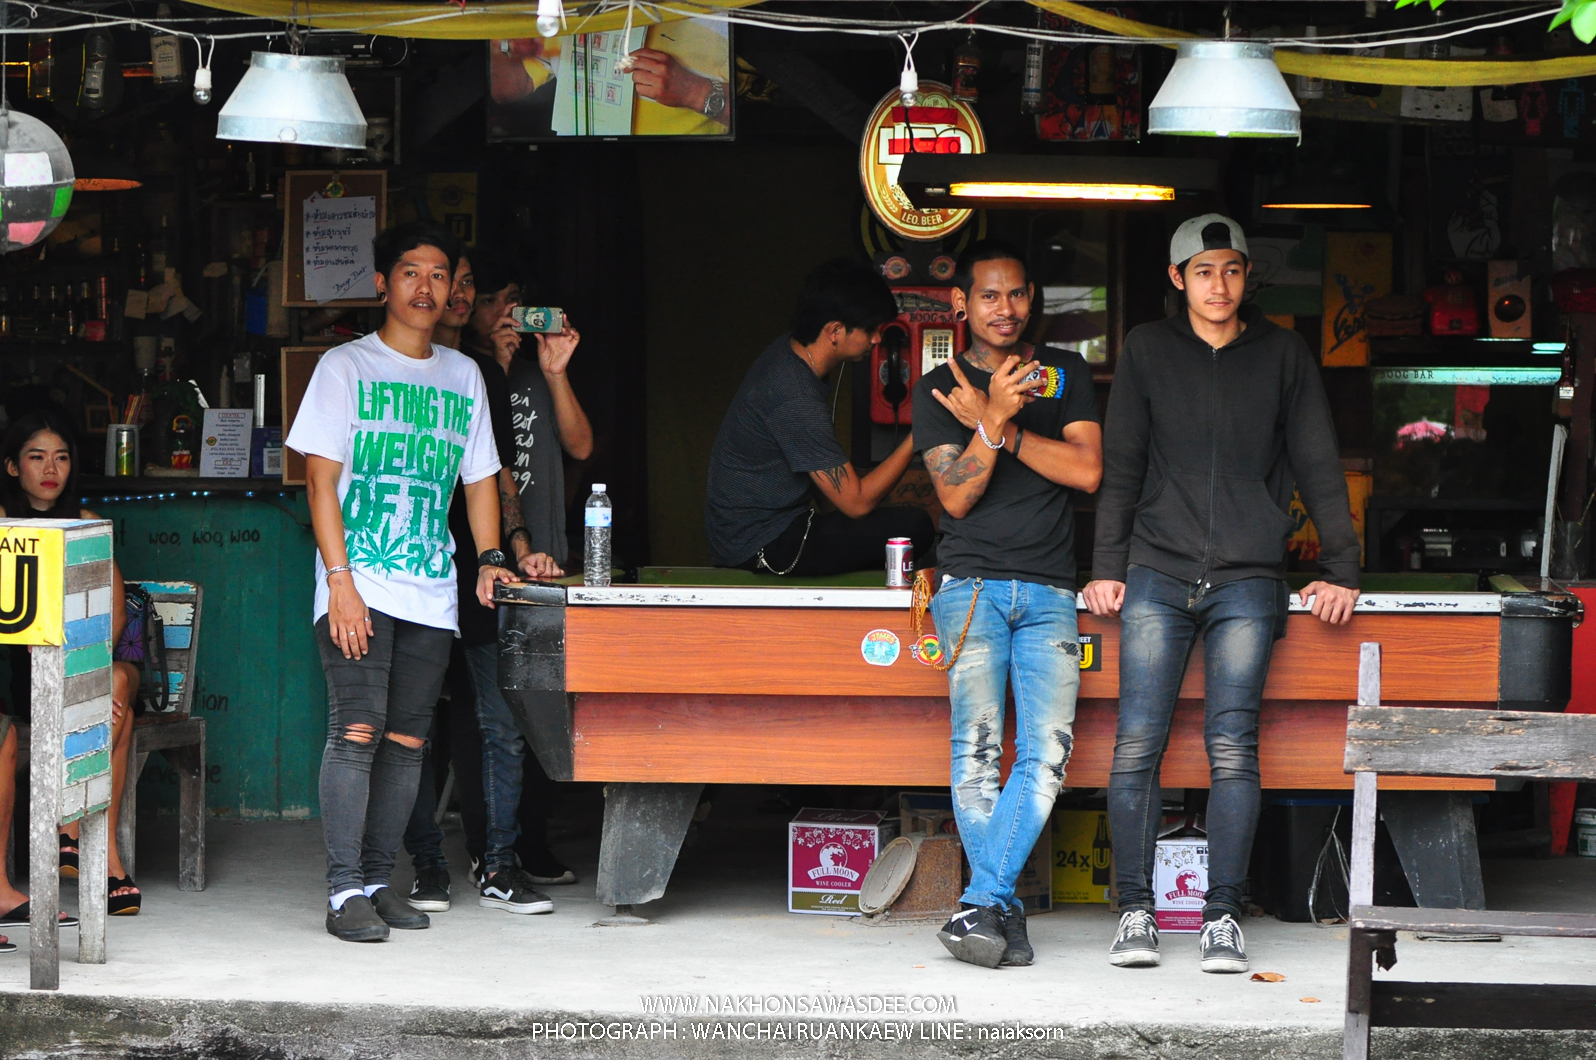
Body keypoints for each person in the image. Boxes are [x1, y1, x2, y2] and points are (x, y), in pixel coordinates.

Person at [1082, 214, 1361, 975]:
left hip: (1247, 576)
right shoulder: (1147, 349)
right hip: (1156, 570)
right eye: (1203, 271)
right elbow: (1123, 465)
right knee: (1138, 743)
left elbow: (1317, 460)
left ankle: (1222, 917)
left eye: (1232, 270)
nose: (1219, 284)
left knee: (1233, 747)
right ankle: (1135, 912)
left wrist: (1342, 567)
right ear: (1178, 279)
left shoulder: (1283, 354)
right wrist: (1106, 563)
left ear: (1246, 277)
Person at [285, 221, 523, 943]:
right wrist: (340, 581)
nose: (426, 287)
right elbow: (318, 483)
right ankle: (341, 892)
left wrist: (489, 557)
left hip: (430, 587)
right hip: (357, 581)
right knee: (356, 729)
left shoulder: (464, 376)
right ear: (383, 284)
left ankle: (374, 881)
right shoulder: (345, 367)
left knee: (407, 741)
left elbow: (479, 481)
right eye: (411, 272)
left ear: (453, 289)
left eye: (439, 274)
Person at [912, 240, 1103, 969]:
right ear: (961, 302)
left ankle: (982, 903)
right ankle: (998, 909)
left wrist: (1006, 426)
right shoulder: (940, 388)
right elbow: (957, 496)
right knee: (978, 753)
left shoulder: (1065, 373)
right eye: (989, 295)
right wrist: (988, 418)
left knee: (1048, 754)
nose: (1006, 308)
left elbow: (1086, 470)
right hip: (970, 590)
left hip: (1051, 588)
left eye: (1018, 293)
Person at [451, 250, 588, 898]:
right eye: (489, 300)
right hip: (484, 565)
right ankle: (490, 850)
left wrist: (553, 371)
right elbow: (489, 458)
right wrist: (499, 370)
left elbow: (582, 445)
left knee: (539, 706)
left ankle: (526, 842)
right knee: (487, 716)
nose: (503, 313)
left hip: (540, 560)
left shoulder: (534, 372)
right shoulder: (466, 373)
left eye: (513, 301)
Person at [0, 410, 143, 919]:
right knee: (118, 716)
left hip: (87, 669)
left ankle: (73, 833)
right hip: (31, 676)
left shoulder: (85, 523)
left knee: (119, 683)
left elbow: (116, 615)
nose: (50, 468)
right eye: (36, 457)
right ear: (13, 466)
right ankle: (102, 856)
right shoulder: (3, 524)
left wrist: (84, 670)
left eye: (60, 457)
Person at [705, 259, 933, 576]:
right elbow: (857, 504)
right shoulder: (794, 395)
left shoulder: (788, 352)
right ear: (835, 331)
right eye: (870, 330)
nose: (877, 340)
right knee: (914, 526)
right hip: (763, 542)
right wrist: (922, 431)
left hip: (763, 531)